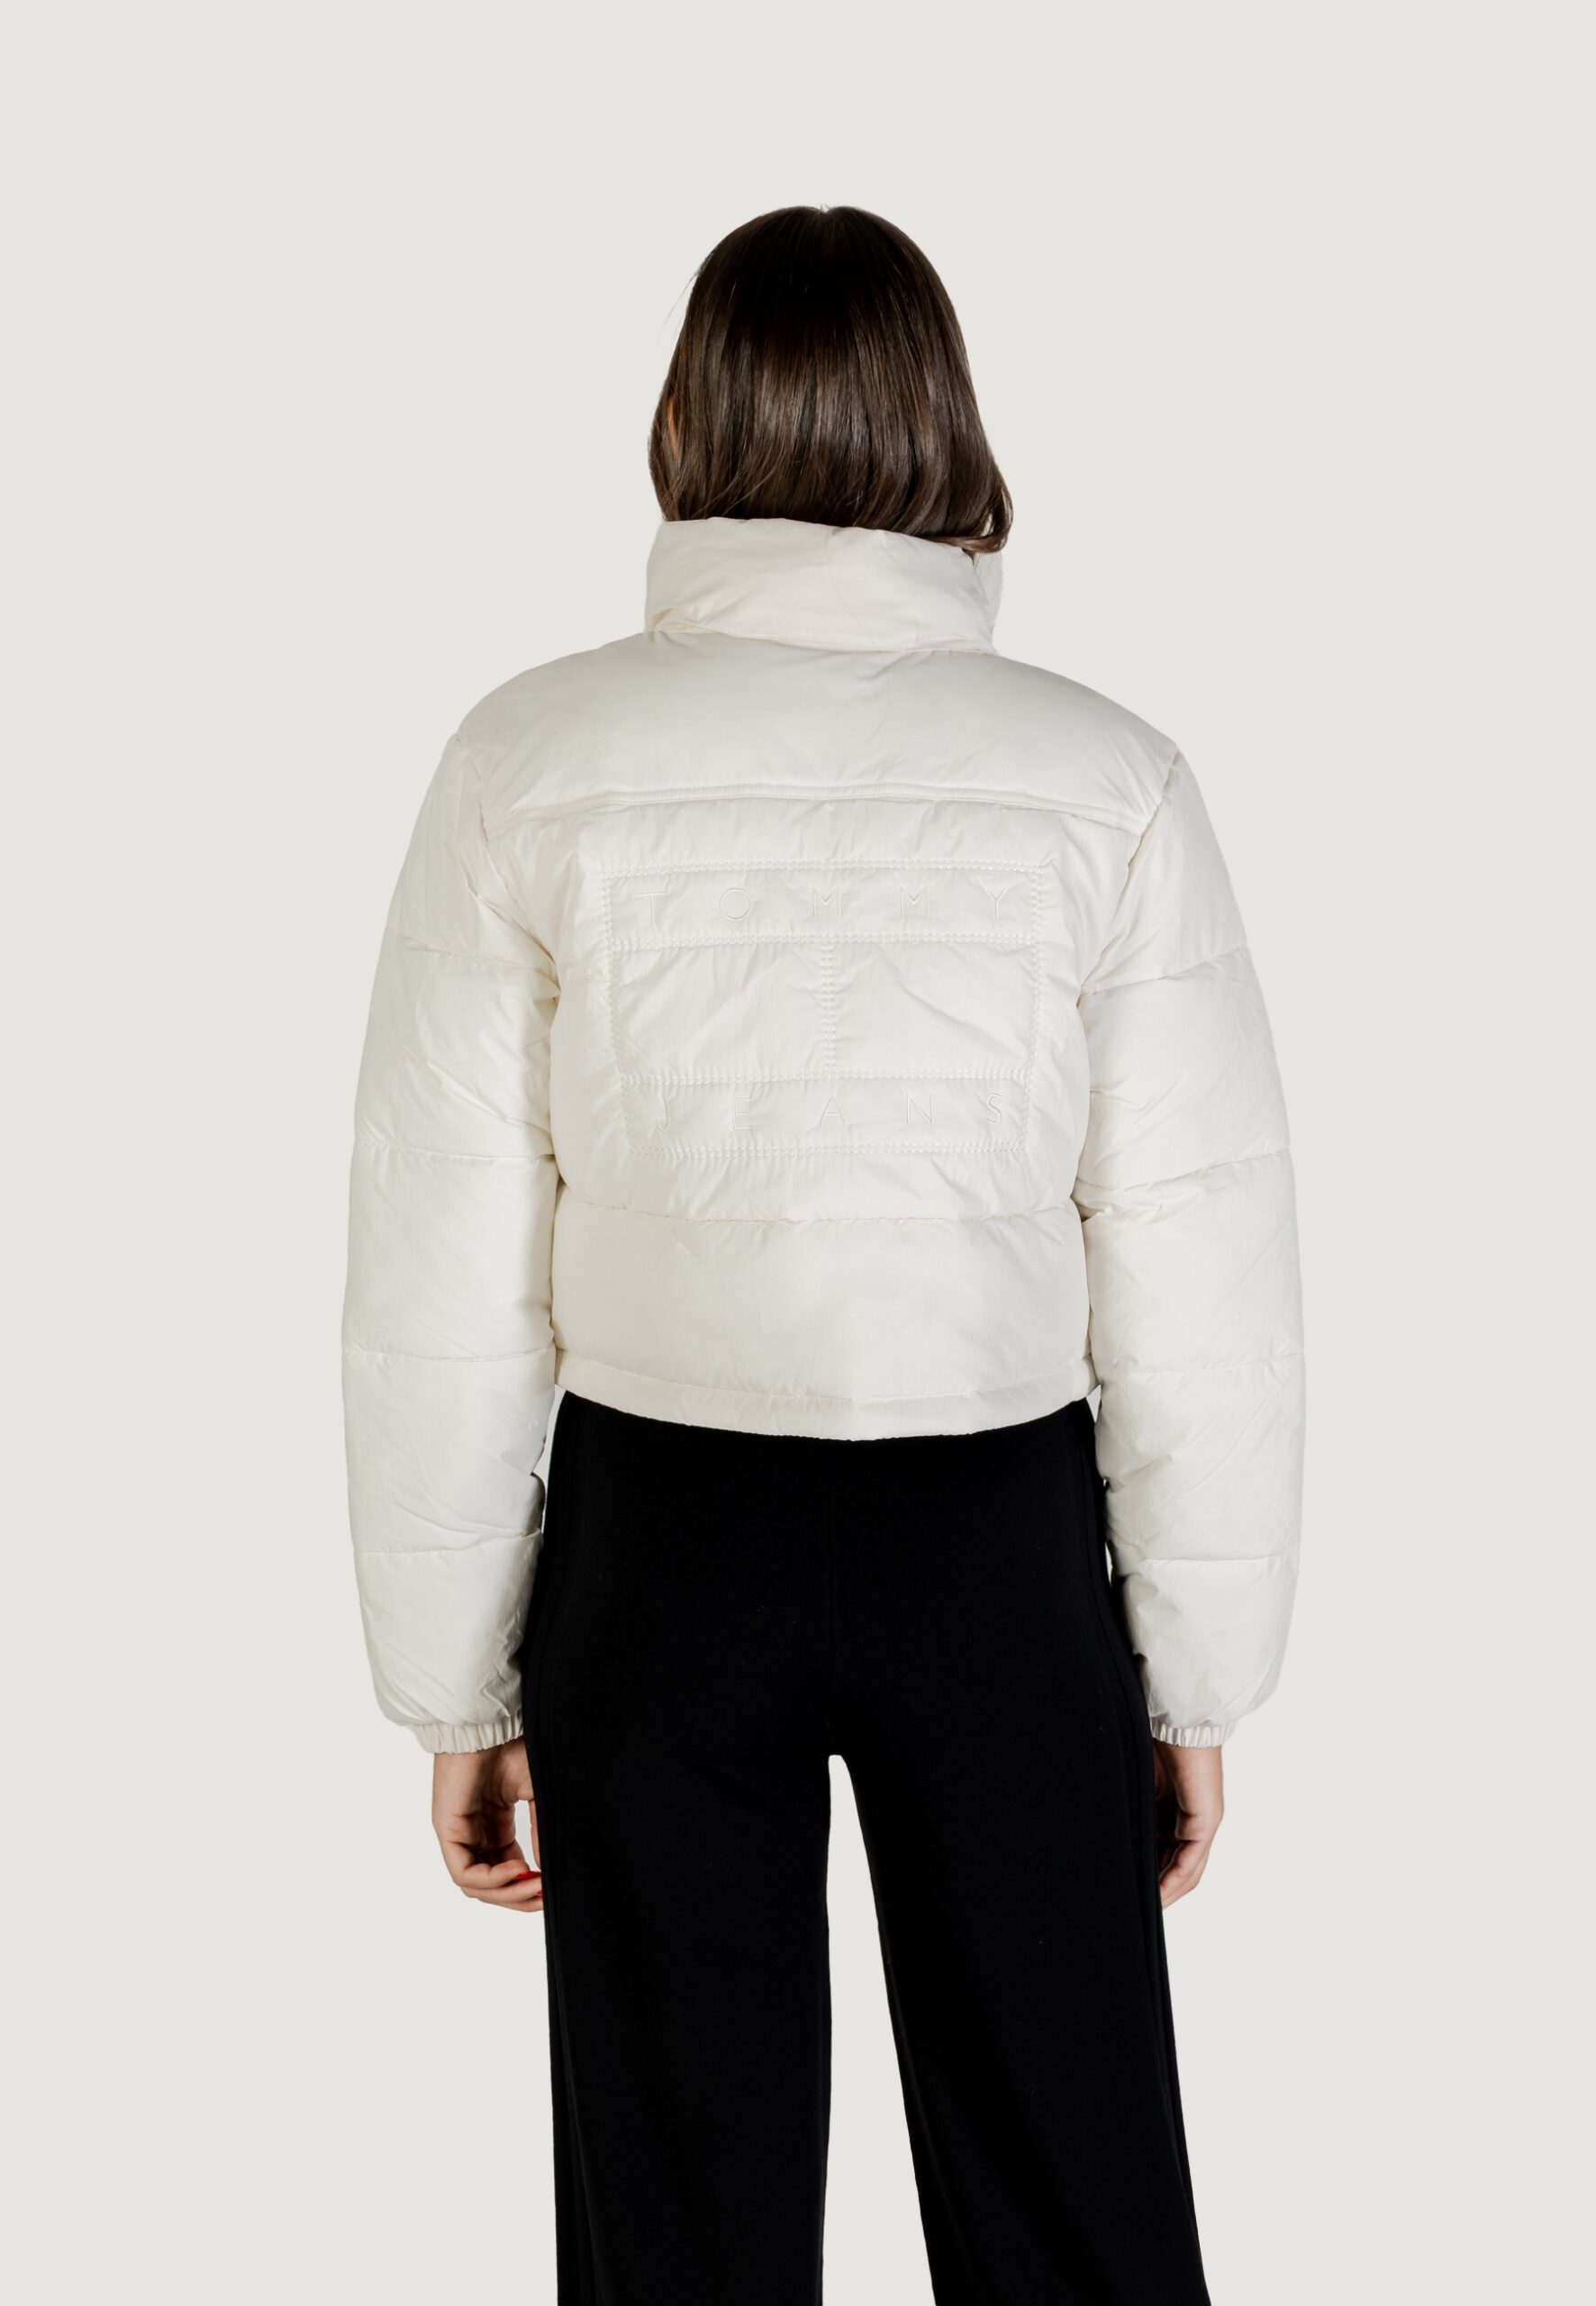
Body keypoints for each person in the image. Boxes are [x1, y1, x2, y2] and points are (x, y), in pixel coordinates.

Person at [342, 204, 1304, 2305]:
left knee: (675, 2231)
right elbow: (1193, 1262)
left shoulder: (529, 757)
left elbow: (444, 1255)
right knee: (1074, 2207)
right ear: (944, 421)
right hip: (999, 1544)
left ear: (687, 418)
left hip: (660, 1547)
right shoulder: (1105, 778)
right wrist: (1193, 1672)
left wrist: (455, 1678)